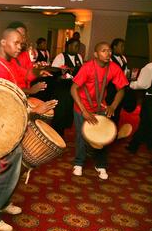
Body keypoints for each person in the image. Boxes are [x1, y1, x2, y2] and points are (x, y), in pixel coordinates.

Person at [0, 28, 57, 231]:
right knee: (7, 172)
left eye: (21, 44)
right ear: (3, 42)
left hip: (10, 123)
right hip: (3, 127)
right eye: (16, 43)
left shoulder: (8, 62)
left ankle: (3, 203)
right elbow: (6, 103)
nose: (20, 47)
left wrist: (32, 96)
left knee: (13, 170)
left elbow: (16, 88)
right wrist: (35, 109)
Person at [70, 42, 128, 180]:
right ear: (96, 54)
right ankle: (79, 163)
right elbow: (73, 89)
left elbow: (122, 90)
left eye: (109, 50)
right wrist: (84, 111)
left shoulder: (114, 67)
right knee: (82, 135)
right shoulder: (87, 67)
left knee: (103, 135)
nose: (108, 53)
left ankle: (101, 164)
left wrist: (113, 106)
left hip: (100, 106)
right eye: (103, 51)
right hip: (81, 106)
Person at [51, 38, 84, 136]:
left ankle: (64, 130)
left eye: (78, 46)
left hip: (73, 90)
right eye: (75, 46)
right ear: (69, 46)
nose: (77, 48)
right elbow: (54, 74)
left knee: (69, 112)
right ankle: (57, 134)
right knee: (60, 113)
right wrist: (63, 74)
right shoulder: (60, 57)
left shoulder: (79, 57)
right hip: (62, 90)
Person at [106, 38, 136, 125]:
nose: (123, 48)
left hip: (121, 87)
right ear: (114, 47)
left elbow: (125, 71)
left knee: (117, 110)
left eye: (124, 46)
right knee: (109, 110)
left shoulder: (123, 58)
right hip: (111, 88)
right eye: (121, 46)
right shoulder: (109, 58)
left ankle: (114, 129)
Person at [126, 62, 152, 154]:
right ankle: (134, 145)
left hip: (150, 99)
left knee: (146, 122)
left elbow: (142, 84)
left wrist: (130, 84)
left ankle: (134, 145)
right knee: (145, 123)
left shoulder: (149, 67)